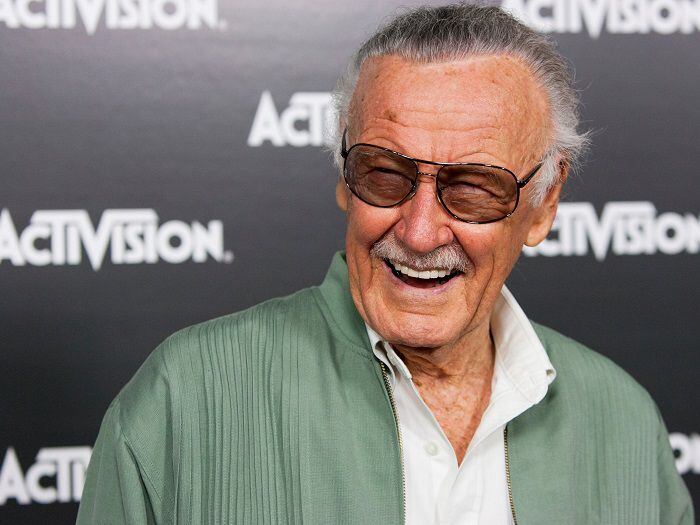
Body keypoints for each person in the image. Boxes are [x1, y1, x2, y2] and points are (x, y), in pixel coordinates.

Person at [77, 4, 693, 524]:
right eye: (385, 174)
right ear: (343, 178)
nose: (420, 234)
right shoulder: (183, 403)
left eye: (473, 188)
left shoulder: (624, 426)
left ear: (544, 204)